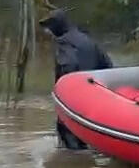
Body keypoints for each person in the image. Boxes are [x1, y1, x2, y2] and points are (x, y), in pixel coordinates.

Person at [39, 9, 113, 149]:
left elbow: (68, 68)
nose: (47, 32)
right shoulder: (87, 40)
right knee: (88, 141)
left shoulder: (64, 44)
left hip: (73, 101)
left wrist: (61, 94)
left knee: (70, 148)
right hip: (95, 99)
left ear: (56, 27)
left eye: (49, 28)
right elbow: (108, 65)